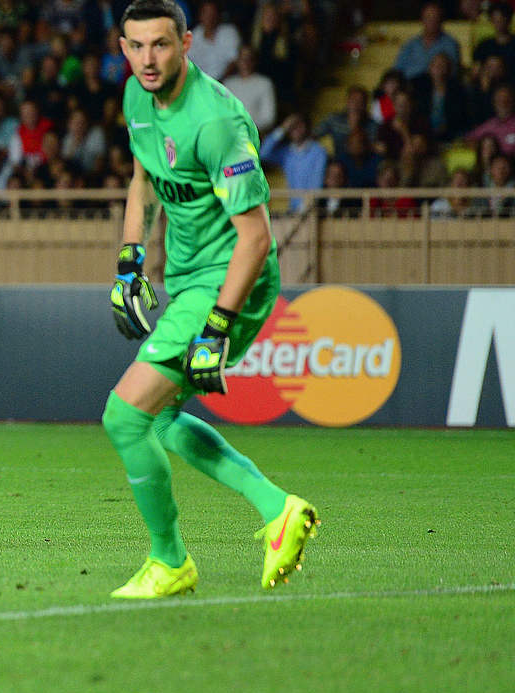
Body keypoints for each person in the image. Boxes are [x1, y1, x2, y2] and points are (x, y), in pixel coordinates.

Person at [104, 0, 318, 598]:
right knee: (163, 419)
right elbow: (144, 179)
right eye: (137, 46)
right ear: (123, 48)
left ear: (187, 44)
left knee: (124, 416)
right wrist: (130, 261)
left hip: (231, 278)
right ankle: (277, 508)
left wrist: (218, 325)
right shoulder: (136, 99)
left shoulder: (216, 121)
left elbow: (256, 237)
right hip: (189, 277)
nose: (148, 59)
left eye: (161, 45)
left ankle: (170, 561)